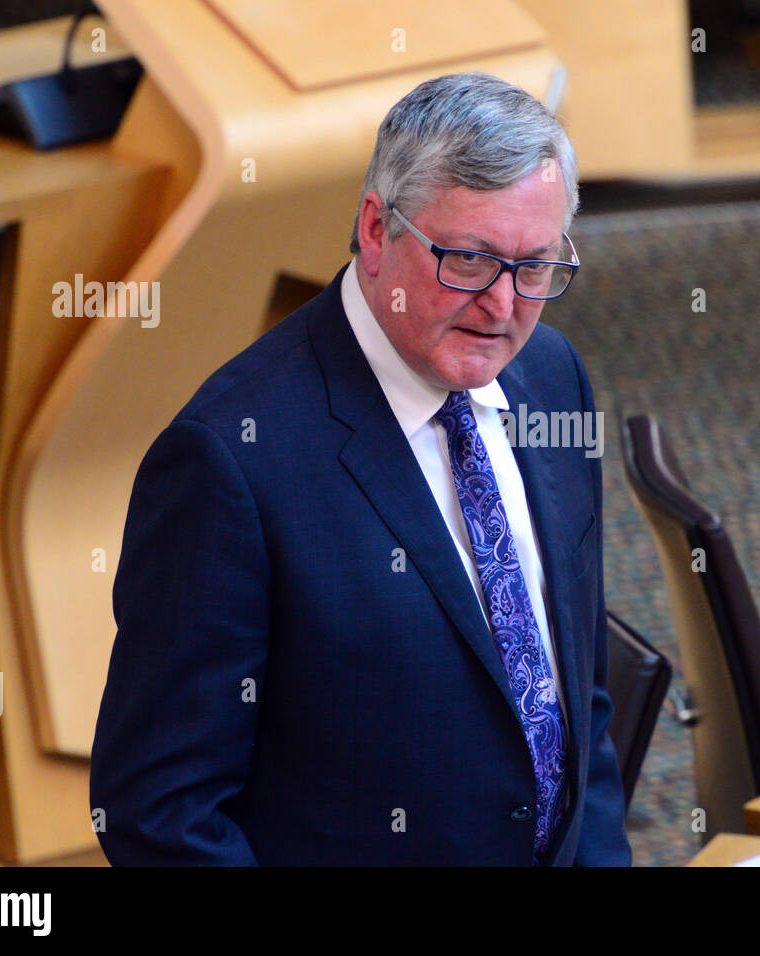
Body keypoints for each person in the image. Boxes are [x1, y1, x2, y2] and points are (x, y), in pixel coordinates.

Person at [89, 72, 631, 866]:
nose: (503, 306)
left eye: (536, 267)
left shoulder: (553, 377)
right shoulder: (229, 462)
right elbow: (159, 814)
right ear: (376, 229)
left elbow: (575, 696)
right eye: (470, 262)